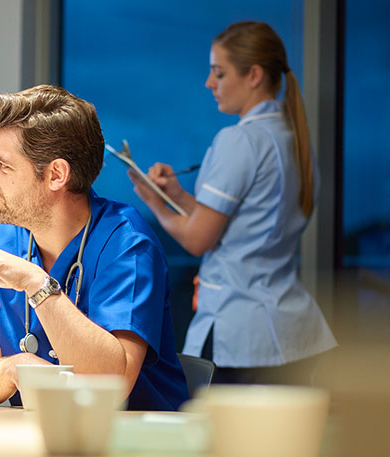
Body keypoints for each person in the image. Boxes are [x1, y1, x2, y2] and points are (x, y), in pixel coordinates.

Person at [0, 85, 189, 411]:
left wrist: (38, 285)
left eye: (3, 165)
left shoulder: (126, 244)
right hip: (41, 439)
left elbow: (111, 385)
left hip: (133, 445)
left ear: (56, 175)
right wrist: (18, 369)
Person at [128, 21, 336, 385]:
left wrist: (154, 203)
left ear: (254, 75)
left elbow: (198, 240)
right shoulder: (295, 141)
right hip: (293, 330)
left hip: (240, 334)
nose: (210, 83)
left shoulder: (239, 141)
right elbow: (240, 224)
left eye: (219, 73)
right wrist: (176, 196)